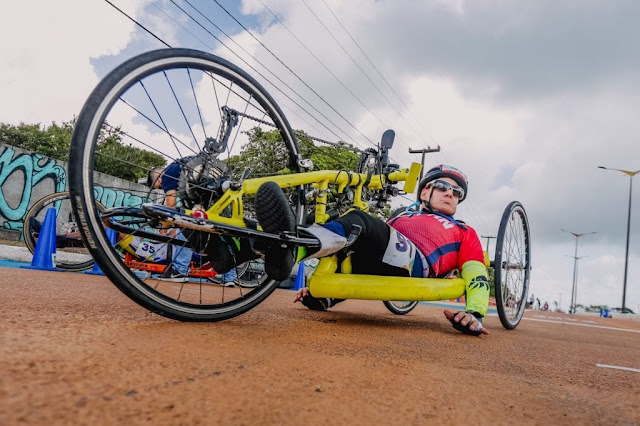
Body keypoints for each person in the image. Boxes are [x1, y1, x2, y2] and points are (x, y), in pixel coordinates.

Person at [249, 164, 490, 336]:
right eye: (442, 187)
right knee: (340, 228)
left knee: (359, 222)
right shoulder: (403, 216)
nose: (450, 193)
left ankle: (293, 249)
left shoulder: (463, 230)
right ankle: (235, 247)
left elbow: (476, 272)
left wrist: (475, 313)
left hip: (416, 263)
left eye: (456, 192)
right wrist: (323, 296)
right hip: (384, 255)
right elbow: (371, 260)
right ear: (425, 192)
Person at [147, 161, 193, 282]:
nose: (163, 188)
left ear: (158, 177)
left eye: (159, 187)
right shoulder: (183, 174)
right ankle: (229, 277)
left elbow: (170, 207)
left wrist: (164, 230)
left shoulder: (168, 173)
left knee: (184, 226)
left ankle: (180, 271)